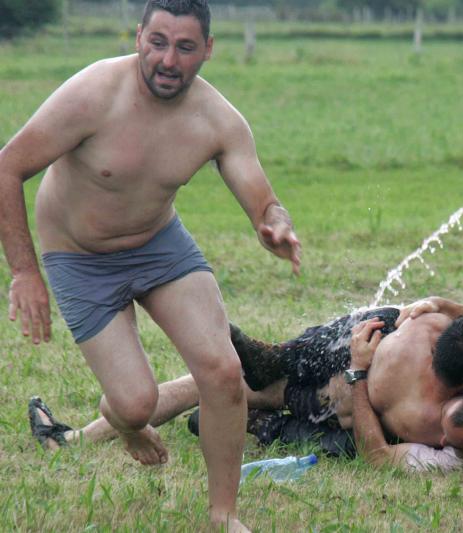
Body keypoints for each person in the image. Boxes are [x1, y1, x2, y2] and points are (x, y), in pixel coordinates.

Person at [3, 1, 302, 530]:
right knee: (135, 404)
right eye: (158, 42)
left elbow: (264, 199)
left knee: (223, 371)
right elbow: (8, 167)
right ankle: (126, 422)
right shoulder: (93, 94)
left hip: (158, 245)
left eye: (185, 47)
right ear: (139, 36)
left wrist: (274, 223)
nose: (168, 60)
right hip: (79, 257)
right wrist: (25, 272)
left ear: (207, 49)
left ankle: (223, 515)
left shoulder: (218, 120)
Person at [30, 251, 463, 471]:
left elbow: (377, 454)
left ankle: (256, 408)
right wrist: (444, 304)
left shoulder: (449, 444)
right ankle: (272, 369)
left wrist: (359, 373)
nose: (446, 438)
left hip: (352, 404)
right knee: (232, 380)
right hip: (362, 346)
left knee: (244, 391)